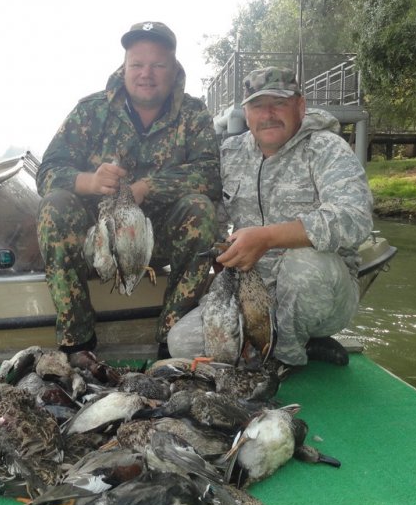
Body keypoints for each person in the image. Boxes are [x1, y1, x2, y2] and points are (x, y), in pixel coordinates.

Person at [166, 66, 373, 366]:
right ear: (246, 113)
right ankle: (288, 342)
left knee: (305, 262)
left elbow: (355, 218)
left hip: (321, 291)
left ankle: (287, 357)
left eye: (279, 103)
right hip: (253, 291)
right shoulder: (230, 153)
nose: (268, 114)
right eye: (258, 106)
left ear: (300, 106)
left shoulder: (326, 148)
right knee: (181, 344)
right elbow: (214, 216)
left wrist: (267, 238)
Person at [36, 21, 221, 356]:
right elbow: (48, 172)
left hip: (156, 238)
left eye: (157, 65)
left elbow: (210, 175)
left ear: (174, 68)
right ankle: (78, 343)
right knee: (54, 206)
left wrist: (147, 187)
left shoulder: (194, 114)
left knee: (201, 210)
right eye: (137, 64)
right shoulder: (91, 110)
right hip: (100, 241)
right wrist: (89, 181)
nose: (146, 74)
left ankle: (171, 342)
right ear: (124, 68)